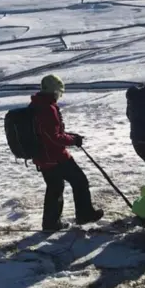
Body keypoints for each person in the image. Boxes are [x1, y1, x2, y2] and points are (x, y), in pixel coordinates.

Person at [30, 74, 104, 231]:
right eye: (58, 92)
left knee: (54, 188)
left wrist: (70, 136)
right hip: (56, 157)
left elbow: (47, 132)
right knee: (80, 181)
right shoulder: (48, 109)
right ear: (54, 91)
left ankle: (50, 223)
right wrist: (73, 141)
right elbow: (54, 137)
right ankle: (84, 214)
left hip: (43, 158)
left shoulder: (36, 105)